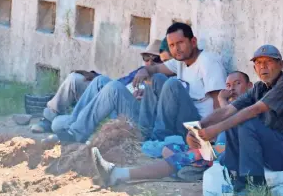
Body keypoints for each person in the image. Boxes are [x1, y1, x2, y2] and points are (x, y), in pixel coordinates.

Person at [52, 22, 226, 144]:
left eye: (180, 43)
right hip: (160, 120)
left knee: (171, 85)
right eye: (172, 45)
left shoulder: (208, 62)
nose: (176, 49)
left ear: (193, 41)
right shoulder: (179, 62)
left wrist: (212, 139)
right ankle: (74, 129)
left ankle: (156, 137)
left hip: (194, 127)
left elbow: (220, 105)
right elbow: (156, 70)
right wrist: (145, 70)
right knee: (109, 83)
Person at [91, 71, 253, 185]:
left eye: (237, 84)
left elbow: (232, 130)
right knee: (170, 148)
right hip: (215, 150)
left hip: (228, 155)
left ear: (250, 86)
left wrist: (223, 102)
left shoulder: (251, 104)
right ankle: (189, 168)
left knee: (180, 158)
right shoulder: (231, 107)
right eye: (228, 85)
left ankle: (117, 174)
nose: (232, 89)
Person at [194, 45, 283, 194]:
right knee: (235, 122)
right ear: (254, 68)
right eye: (258, 63)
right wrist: (198, 126)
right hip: (276, 149)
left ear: (281, 64)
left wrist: (216, 129)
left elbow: (255, 110)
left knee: (247, 123)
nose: (263, 66)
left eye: (269, 61)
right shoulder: (260, 88)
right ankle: (237, 181)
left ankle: (255, 187)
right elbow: (228, 110)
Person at [31, 39, 165, 133]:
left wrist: (138, 99)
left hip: (126, 116)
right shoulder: (140, 71)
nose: (149, 63)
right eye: (146, 58)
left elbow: (158, 113)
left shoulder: (164, 80)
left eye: (156, 59)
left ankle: (75, 127)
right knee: (75, 79)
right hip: (108, 101)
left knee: (58, 125)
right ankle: (50, 118)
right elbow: (117, 83)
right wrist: (95, 76)